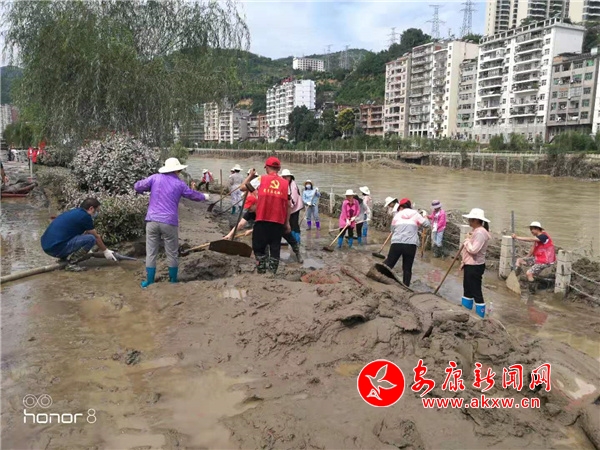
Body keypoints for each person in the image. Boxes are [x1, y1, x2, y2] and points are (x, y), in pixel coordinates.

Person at [134, 157, 209, 288]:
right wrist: (204, 196)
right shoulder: (179, 184)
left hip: (152, 220)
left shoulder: (155, 178)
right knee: (172, 252)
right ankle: (173, 280)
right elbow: (192, 195)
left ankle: (149, 281)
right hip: (169, 222)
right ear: (177, 170)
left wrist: (145, 189)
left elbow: (137, 186)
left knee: (151, 252)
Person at [240, 157, 291, 275]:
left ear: (267, 168)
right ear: (279, 169)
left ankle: (261, 272)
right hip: (278, 222)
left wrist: (250, 175)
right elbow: (288, 205)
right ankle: (272, 273)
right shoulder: (285, 184)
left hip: (262, 219)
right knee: (275, 248)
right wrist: (287, 223)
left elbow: (243, 187)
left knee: (259, 248)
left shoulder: (260, 179)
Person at [40, 198, 117, 271]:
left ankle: (63, 258)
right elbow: (96, 237)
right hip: (55, 249)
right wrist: (106, 251)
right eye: (97, 211)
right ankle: (71, 263)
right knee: (91, 239)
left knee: (79, 236)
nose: (97, 213)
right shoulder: (85, 217)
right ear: (91, 208)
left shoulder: (75, 212)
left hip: (46, 246)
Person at [383, 198, 429, 287]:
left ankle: (381, 278)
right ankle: (406, 287)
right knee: (407, 268)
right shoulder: (416, 214)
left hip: (396, 243)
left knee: (389, 264)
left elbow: (392, 229)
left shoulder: (397, 215)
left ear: (400, 207)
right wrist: (425, 217)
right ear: (410, 206)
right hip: (410, 244)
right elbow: (427, 225)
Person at [460, 208, 491, 318]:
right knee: (467, 289)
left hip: (475, 265)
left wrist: (467, 241)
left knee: (476, 291)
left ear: (476, 220)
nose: (469, 221)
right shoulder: (475, 231)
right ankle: (466, 312)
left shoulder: (480, 233)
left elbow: (473, 250)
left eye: (470, 219)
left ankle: (480, 317)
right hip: (469, 264)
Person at [512, 221, 556, 293]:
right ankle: (516, 275)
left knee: (529, 273)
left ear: (537, 229)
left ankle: (532, 291)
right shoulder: (538, 239)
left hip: (545, 261)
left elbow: (530, 239)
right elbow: (533, 248)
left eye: (532, 229)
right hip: (538, 258)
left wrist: (517, 237)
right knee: (519, 260)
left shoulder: (544, 236)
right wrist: (527, 257)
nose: (531, 231)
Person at [281, 169, 304, 243]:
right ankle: (293, 239)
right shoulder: (285, 184)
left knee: (294, 224)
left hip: (295, 207)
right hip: (289, 208)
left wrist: (289, 206)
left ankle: (297, 240)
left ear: (290, 177)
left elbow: (294, 198)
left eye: (286, 177)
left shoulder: (293, 185)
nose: (285, 178)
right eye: (283, 177)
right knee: (290, 223)